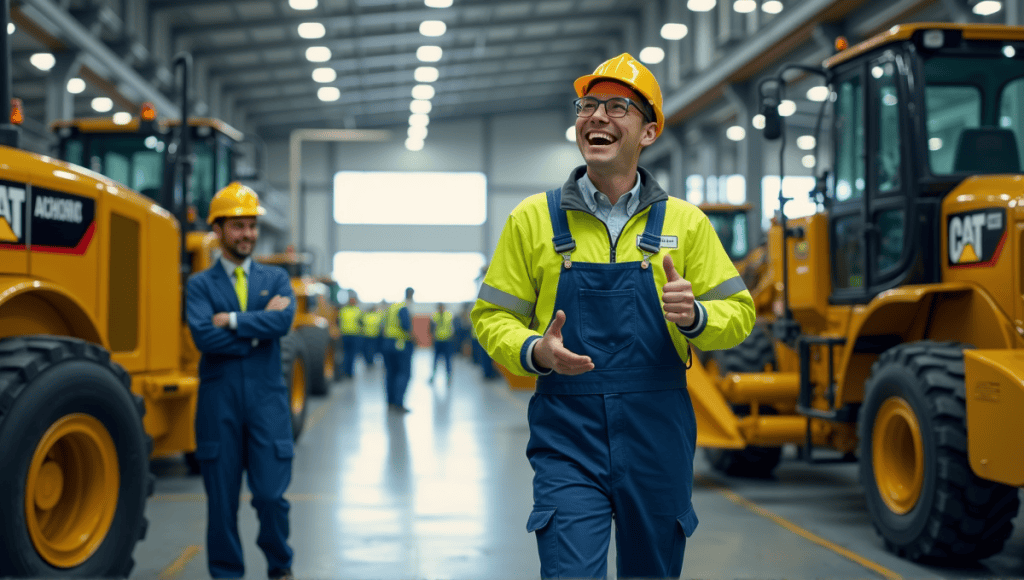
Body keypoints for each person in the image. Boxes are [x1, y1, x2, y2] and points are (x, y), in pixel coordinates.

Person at [472, 54, 755, 579]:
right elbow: (492, 316)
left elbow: (739, 314)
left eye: (617, 107)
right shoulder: (533, 219)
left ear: (648, 132)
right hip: (566, 432)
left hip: (657, 429)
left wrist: (695, 316)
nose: (597, 117)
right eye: (588, 105)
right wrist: (536, 350)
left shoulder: (686, 224)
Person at [186, 182, 297, 580]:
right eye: (238, 226)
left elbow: (282, 322)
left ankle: (280, 566)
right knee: (221, 502)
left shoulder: (277, 280)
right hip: (220, 405)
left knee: (270, 496)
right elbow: (202, 336)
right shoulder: (200, 285)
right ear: (218, 230)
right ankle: (227, 573)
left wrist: (233, 323)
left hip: (267, 404)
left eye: (251, 225)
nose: (247, 234)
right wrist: (258, 329)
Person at [382, 287, 415, 412]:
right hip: (400, 344)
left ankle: (390, 402)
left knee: (390, 373)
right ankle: (398, 403)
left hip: (387, 343)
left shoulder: (391, 307)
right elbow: (406, 326)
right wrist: (414, 338)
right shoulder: (404, 308)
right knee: (403, 373)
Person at [428, 302, 455, 383]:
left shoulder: (449, 315)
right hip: (438, 341)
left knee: (448, 360)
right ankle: (433, 376)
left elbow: (453, 327)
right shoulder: (434, 316)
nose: (441, 309)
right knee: (435, 360)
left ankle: (448, 377)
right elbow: (431, 328)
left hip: (447, 341)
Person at [338, 295, 363, 378]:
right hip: (352, 335)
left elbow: (338, 321)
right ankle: (348, 372)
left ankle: (345, 372)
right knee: (349, 354)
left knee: (347, 354)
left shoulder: (343, 310)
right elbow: (361, 323)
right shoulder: (357, 311)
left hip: (347, 335)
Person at [361, 302, 385, 366]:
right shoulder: (377, 316)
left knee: (367, 349)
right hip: (374, 335)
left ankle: (368, 361)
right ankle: (370, 361)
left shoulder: (366, 316)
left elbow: (362, 323)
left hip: (366, 335)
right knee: (372, 349)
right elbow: (381, 324)